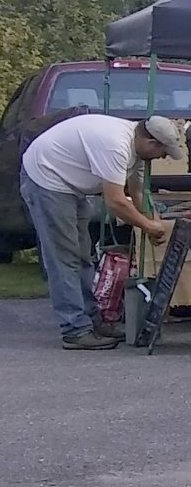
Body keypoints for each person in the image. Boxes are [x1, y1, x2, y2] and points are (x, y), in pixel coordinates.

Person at [19, 115, 182, 350]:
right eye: (163, 151)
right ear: (150, 143)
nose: (164, 157)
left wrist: (154, 221)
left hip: (70, 185)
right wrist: (147, 227)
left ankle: (92, 320)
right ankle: (75, 329)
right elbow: (115, 201)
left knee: (83, 255)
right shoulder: (115, 145)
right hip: (47, 178)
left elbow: (137, 194)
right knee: (64, 258)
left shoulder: (137, 152)